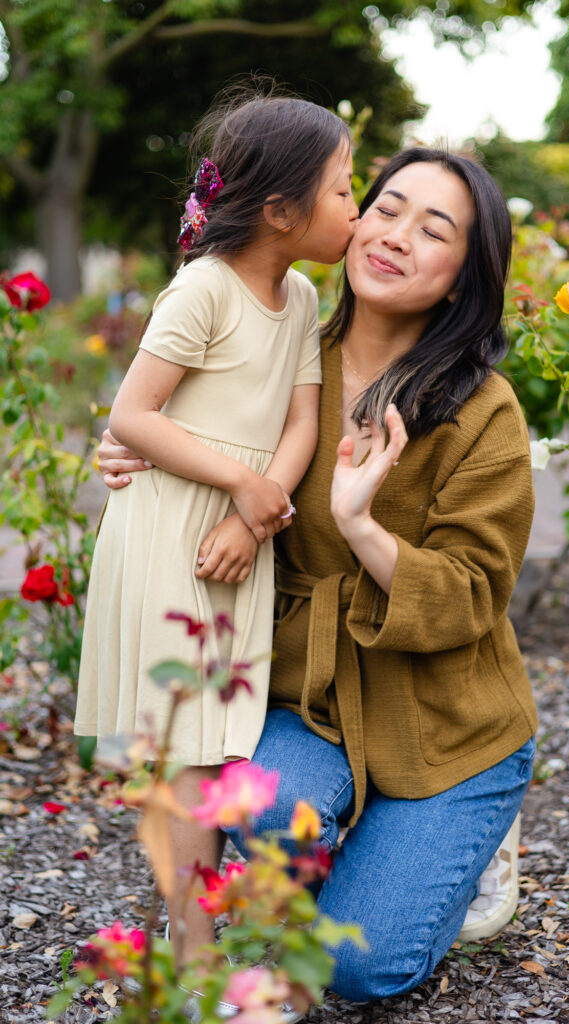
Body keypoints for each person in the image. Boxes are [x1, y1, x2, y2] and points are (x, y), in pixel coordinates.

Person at [96, 146, 538, 1004]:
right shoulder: (288, 352)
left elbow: (472, 598)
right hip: (311, 702)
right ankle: (371, 841)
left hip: (446, 724)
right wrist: (127, 449)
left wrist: (361, 524)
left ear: (461, 278)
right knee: (261, 807)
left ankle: (471, 840)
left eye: (434, 228)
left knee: (358, 968)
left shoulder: (484, 412)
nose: (397, 235)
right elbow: (181, 429)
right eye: (387, 207)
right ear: (353, 218)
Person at [75, 88, 358, 970]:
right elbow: (133, 414)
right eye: (345, 190)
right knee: (183, 750)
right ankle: (191, 938)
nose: (357, 205)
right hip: (172, 536)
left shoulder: (304, 295)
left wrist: (259, 501)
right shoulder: (202, 290)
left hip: (239, 536)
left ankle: (198, 923)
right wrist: (243, 485)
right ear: (280, 209)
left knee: (219, 739)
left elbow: (303, 422)